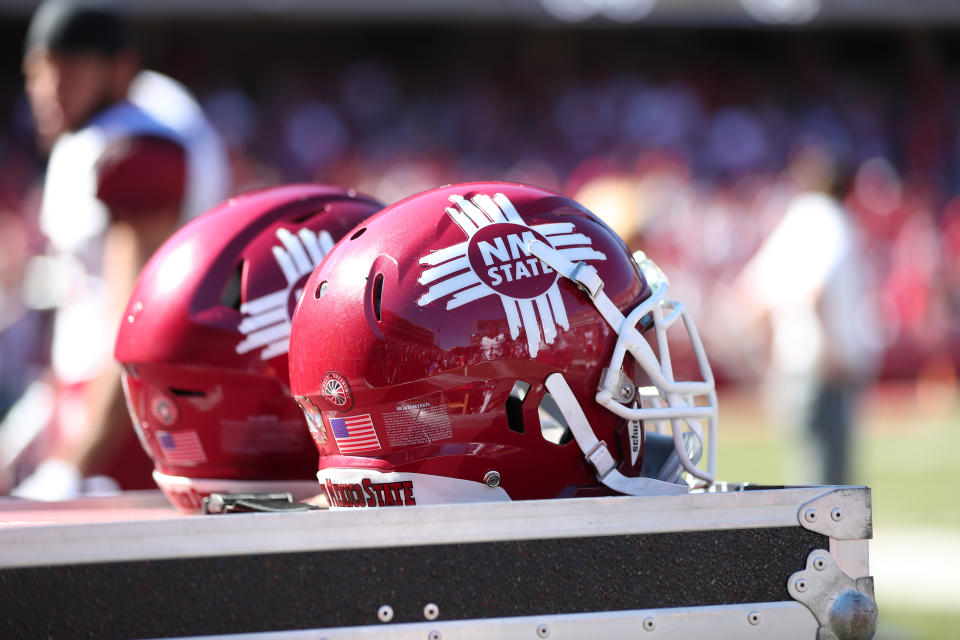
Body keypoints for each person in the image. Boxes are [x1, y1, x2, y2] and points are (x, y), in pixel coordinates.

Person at [7, 0, 230, 499]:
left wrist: (76, 461)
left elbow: (132, 326)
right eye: (36, 73)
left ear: (120, 69)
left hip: (126, 419)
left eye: (64, 72)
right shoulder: (92, 135)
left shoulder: (138, 151)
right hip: (85, 395)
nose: (45, 90)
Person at [738, 140, 881, 485]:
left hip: (793, 368)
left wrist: (764, 358)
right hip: (824, 372)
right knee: (832, 493)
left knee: (810, 482)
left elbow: (750, 296)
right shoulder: (830, 220)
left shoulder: (794, 220)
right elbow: (815, 293)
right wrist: (831, 350)